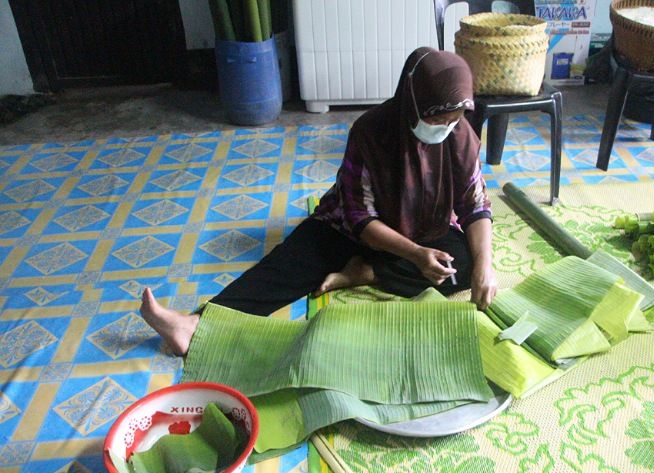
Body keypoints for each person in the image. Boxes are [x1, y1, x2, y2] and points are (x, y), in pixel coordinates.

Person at [141, 47, 497, 355]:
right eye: (437, 117)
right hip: (355, 230)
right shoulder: (372, 132)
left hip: (425, 227)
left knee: (467, 262)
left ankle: (366, 273)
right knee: (289, 265)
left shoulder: (460, 136)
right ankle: (195, 325)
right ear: (413, 100)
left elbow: (475, 204)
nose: (445, 127)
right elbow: (360, 217)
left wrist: (485, 266)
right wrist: (416, 255)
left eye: (454, 120)